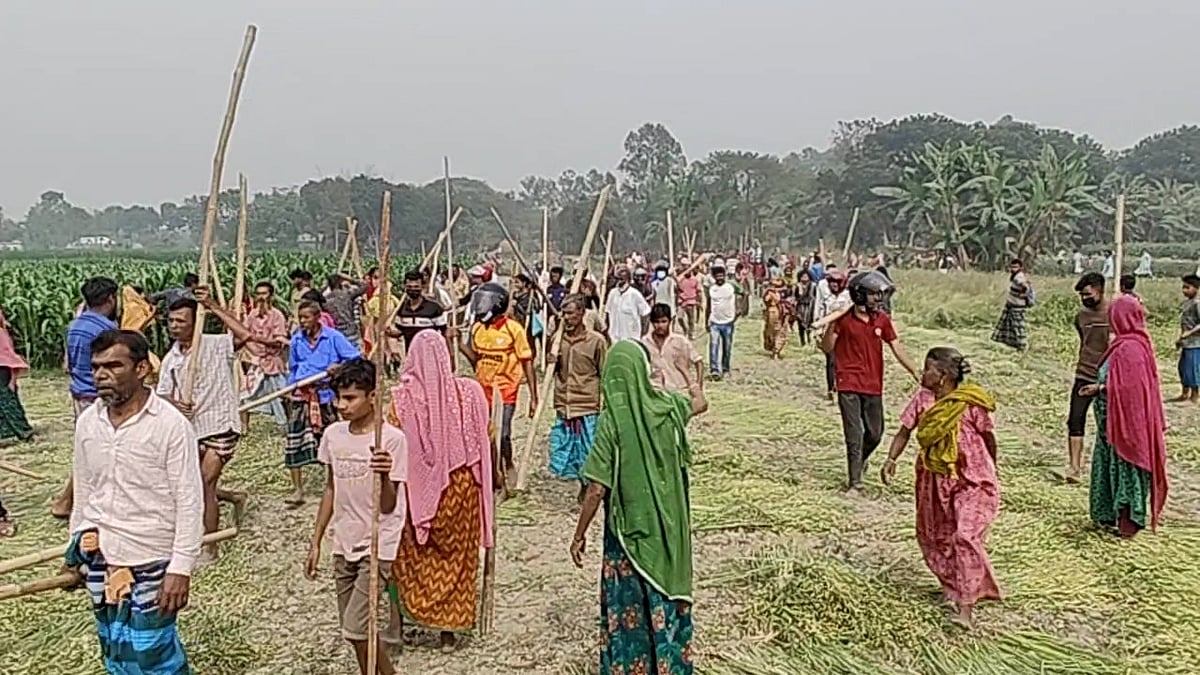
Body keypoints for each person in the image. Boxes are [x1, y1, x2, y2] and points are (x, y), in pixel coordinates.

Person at [67, 329, 203, 674]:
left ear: (141, 369)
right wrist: (75, 547)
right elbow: (85, 489)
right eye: (97, 367)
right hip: (103, 554)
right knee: (113, 645)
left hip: (154, 556)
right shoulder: (88, 423)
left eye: (114, 366)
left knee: (153, 653)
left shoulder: (170, 425)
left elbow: (189, 499)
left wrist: (180, 569)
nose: (101, 375)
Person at [570, 341, 708, 675]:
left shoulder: (611, 422)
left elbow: (596, 488)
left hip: (628, 533)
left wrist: (579, 534)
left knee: (629, 601)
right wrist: (690, 379)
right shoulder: (666, 406)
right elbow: (700, 403)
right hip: (668, 525)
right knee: (662, 592)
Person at [880, 347, 1001, 628]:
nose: (922, 373)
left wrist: (992, 468)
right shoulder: (923, 400)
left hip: (972, 479)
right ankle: (954, 585)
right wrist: (890, 459)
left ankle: (966, 608)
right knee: (937, 536)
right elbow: (904, 432)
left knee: (965, 536)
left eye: (928, 369)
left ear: (943, 375)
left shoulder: (970, 403)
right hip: (934, 479)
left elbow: (988, 438)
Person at [391, 330, 496, 652]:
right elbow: (487, 436)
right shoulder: (470, 393)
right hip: (462, 489)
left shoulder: (400, 400)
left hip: (416, 492)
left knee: (411, 556)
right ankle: (448, 632)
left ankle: (403, 621)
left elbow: (393, 443)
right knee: (457, 559)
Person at [304, 358, 406, 674]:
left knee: (356, 628)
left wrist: (385, 473)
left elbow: (389, 505)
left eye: (350, 398)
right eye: (339, 398)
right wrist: (316, 540)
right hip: (343, 540)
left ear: (373, 396)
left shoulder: (391, 440)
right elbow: (331, 489)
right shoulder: (334, 435)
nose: (341, 405)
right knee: (357, 634)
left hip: (377, 544)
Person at [157, 289, 255, 562]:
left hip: (221, 426)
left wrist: (211, 305)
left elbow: (245, 336)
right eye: (171, 321)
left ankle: (210, 545)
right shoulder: (172, 358)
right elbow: (163, 392)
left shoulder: (214, 344)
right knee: (191, 484)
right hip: (192, 429)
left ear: (195, 321)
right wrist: (176, 404)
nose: (175, 327)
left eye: (181, 321)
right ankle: (234, 498)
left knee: (204, 485)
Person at [821, 271, 920, 494]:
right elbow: (827, 348)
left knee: (875, 433)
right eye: (874, 294)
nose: (878, 298)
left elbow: (896, 347)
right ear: (860, 295)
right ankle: (855, 481)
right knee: (854, 433)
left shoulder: (882, 320)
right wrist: (830, 325)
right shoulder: (843, 321)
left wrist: (914, 370)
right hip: (848, 383)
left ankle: (860, 460)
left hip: (873, 384)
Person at [1079, 295, 1169, 537]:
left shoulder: (1130, 349)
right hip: (1109, 427)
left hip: (1125, 427)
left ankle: (1128, 521)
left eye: (1113, 316)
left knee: (1126, 468)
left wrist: (1100, 388)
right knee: (1110, 466)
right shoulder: (1122, 345)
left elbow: (1132, 388)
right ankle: (1108, 516)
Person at [53, 276, 120, 519]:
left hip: (79, 393)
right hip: (98, 397)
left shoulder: (75, 325)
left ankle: (68, 501)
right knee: (98, 452)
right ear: (111, 299)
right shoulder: (107, 330)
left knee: (86, 447)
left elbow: (69, 362)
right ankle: (68, 501)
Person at [453, 282, 537, 473]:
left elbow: (527, 362)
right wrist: (458, 343)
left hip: (506, 389)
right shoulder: (477, 329)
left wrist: (534, 396)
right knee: (484, 432)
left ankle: (507, 465)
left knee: (503, 433)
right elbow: (476, 360)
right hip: (483, 390)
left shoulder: (513, 329)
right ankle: (491, 468)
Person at [286, 300, 363, 505]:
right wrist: (290, 387)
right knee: (295, 439)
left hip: (326, 395)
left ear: (317, 317)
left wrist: (338, 367)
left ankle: (335, 484)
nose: (302, 322)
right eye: (300, 317)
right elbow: (292, 368)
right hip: (302, 395)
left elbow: (356, 358)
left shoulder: (333, 338)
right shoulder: (296, 341)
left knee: (333, 441)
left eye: (306, 317)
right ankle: (297, 490)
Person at [548, 295, 608, 493]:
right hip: (564, 404)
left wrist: (606, 403)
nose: (566, 318)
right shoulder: (558, 342)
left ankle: (589, 488)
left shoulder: (596, 342)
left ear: (582, 313)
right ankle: (579, 481)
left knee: (588, 451)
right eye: (563, 314)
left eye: (571, 314)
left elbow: (604, 373)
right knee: (564, 450)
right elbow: (555, 371)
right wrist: (551, 359)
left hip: (587, 405)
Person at [1066, 273, 1110, 482]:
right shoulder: (1081, 316)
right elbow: (1084, 340)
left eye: (1088, 294)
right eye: (1082, 296)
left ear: (1100, 290)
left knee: (1110, 424)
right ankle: (1075, 467)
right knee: (1075, 419)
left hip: (1108, 378)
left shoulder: (1114, 313)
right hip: (1084, 373)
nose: (1085, 299)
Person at [241, 281, 291, 431]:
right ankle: (244, 428)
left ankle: (286, 426)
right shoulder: (252, 315)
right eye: (258, 294)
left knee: (283, 395)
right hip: (257, 362)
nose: (261, 297)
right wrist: (254, 350)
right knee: (245, 394)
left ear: (271, 296)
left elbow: (278, 342)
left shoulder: (277, 316)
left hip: (274, 362)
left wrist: (256, 339)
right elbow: (245, 336)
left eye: (264, 293)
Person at [642, 303, 704, 401]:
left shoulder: (680, 341)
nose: (660, 325)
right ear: (652, 322)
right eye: (657, 322)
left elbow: (698, 362)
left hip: (680, 390)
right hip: (657, 392)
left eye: (664, 321)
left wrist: (698, 386)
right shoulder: (644, 343)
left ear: (670, 321)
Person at [812, 269, 850, 401]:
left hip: (845, 333)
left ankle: (840, 385)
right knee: (831, 360)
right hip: (828, 330)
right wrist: (817, 329)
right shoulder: (824, 293)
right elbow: (818, 309)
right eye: (832, 282)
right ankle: (830, 388)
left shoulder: (847, 296)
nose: (834, 285)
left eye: (837, 282)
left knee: (842, 362)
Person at [388, 269, 449, 351]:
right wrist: (388, 332)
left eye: (416, 287)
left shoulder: (434, 308)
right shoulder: (401, 309)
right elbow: (400, 332)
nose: (413, 289)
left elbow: (444, 332)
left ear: (422, 286)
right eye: (409, 287)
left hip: (430, 354)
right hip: (411, 355)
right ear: (405, 287)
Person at [0, 305, 33, 442]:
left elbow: (9, 357)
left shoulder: (1, 335)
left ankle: (23, 431)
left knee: (8, 402)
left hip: (2, 370)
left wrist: (13, 378)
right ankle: (6, 432)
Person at [705, 265, 741, 381]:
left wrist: (740, 309)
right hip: (715, 322)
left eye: (721, 275)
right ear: (714, 277)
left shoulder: (731, 286)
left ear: (724, 275)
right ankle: (714, 370)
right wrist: (707, 321)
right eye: (717, 276)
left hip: (728, 322)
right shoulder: (711, 289)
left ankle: (725, 369)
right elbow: (708, 306)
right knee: (714, 346)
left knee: (727, 347)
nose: (720, 277)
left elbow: (744, 293)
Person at [991, 258, 1031, 351]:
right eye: (1012, 267)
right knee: (1010, 326)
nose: (1013, 269)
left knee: (1018, 327)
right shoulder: (1015, 276)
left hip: (1017, 306)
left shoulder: (1019, 277)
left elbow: (1026, 286)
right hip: (1012, 305)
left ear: (1020, 267)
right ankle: (1016, 345)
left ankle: (1022, 346)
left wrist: (1024, 293)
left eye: (1016, 267)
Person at [605, 264, 651, 343]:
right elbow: (608, 313)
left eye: (622, 278)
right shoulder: (612, 294)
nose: (619, 280)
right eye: (617, 278)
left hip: (632, 338)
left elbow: (645, 314)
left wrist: (642, 333)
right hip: (614, 338)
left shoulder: (634, 294)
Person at [325, 273, 369, 350]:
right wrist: (351, 279)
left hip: (337, 333)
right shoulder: (347, 296)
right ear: (340, 284)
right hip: (352, 331)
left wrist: (324, 287)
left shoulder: (326, 300)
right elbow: (366, 286)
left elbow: (314, 296)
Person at [1174, 274, 1200, 403]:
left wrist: (1189, 333)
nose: (1184, 290)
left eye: (1187, 287)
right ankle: (1184, 393)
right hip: (1186, 342)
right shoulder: (1186, 303)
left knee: (1193, 369)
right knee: (1183, 368)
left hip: (1195, 342)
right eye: (1183, 287)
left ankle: (1195, 394)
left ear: (1196, 288)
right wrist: (1181, 339)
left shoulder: (1197, 303)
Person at [761, 277, 788, 359]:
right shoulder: (770, 293)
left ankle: (777, 350)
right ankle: (774, 350)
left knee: (782, 331)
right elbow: (766, 300)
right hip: (773, 312)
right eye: (774, 285)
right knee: (772, 332)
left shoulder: (786, 292)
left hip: (783, 313)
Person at [675, 265, 701, 340]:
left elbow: (698, 291)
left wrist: (699, 301)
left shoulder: (695, 280)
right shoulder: (680, 280)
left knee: (691, 319)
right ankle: (685, 329)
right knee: (680, 318)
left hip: (691, 301)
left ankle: (691, 333)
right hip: (682, 301)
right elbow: (677, 290)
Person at [794, 269, 817, 347]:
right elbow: (795, 297)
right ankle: (802, 341)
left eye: (806, 276)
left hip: (810, 307)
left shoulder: (813, 286)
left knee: (809, 324)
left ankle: (809, 340)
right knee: (800, 325)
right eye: (802, 276)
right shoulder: (797, 286)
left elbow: (815, 296)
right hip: (800, 307)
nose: (804, 277)